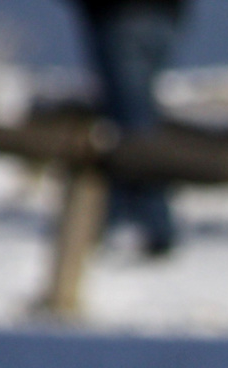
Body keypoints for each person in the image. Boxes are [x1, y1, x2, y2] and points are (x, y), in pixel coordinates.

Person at [67, 0, 190, 256]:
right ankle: (123, 215)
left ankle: (148, 224)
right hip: (163, 14)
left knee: (131, 124)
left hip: (120, 14)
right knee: (133, 116)